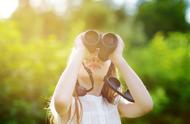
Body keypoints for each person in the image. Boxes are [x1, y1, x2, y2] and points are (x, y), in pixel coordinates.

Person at [48, 31, 153, 124]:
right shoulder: (70, 103)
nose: (94, 58)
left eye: (102, 56)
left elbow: (145, 106)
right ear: (74, 64)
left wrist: (118, 59)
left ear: (110, 67)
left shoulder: (114, 104)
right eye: (87, 57)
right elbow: (61, 101)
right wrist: (81, 50)